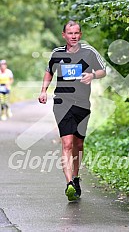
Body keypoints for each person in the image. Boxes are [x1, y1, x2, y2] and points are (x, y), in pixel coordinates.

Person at [38, 20, 106, 201]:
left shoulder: (89, 52)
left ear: (80, 35)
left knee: (78, 144)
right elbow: (49, 72)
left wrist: (92, 75)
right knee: (67, 143)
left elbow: (103, 70)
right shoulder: (57, 53)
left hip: (82, 104)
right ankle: (69, 183)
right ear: (64, 35)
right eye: (70, 33)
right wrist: (44, 90)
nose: (73, 36)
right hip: (62, 102)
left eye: (76, 33)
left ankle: (76, 178)